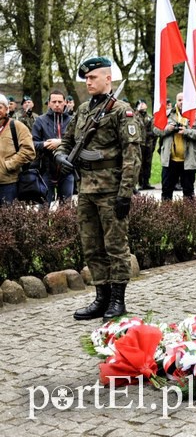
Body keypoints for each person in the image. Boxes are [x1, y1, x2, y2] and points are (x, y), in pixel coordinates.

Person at [53, 57, 141, 321]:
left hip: (112, 191)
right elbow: (65, 142)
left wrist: (125, 193)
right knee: (91, 246)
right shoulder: (82, 110)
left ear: (107, 79)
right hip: (87, 189)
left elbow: (132, 155)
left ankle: (118, 300)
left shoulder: (121, 111)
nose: (88, 82)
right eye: (86, 79)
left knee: (116, 247)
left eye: (93, 78)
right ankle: (101, 298)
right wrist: (61, 157)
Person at [153, 92, 196, 200]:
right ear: (176, 101)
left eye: (184, 100)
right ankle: (166, 215)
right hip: (170, 161)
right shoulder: (167, 114)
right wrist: (167, 129)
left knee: (188, 193)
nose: (182, 102)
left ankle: (188, 216)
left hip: (188, 161)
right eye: (179, 100)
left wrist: (187, 131)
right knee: (166, 192)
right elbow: (156, 130)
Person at [31, 89, 74, 205]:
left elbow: (79, 142)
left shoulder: (72, 121)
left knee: (66, 209)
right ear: (49, 103)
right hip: (46, 170)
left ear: (65, 102)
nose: (57, 104)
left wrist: (59, 142)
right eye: (54, 101)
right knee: (43, 208)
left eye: (60, 101)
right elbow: (32, 144)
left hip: (67, 170)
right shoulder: (40, 121)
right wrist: (45, 144)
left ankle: (62, 224)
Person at [0, 94, 36, 205]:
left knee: (7, 219)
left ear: (7, 109)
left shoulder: (17, 126)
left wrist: (9, 165)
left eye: (0, 107)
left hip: (8, 183)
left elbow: (29, 151)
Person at [135, 100, 156, 190]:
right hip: (140, 143)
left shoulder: (149, 117)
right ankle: (140, 183)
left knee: (147, 164)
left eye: (144, 104)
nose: (143, 106)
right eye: (141, 105)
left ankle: (146, 182)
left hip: (148, 144)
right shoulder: (135, 116)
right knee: (139, 164)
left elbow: (153, 130)